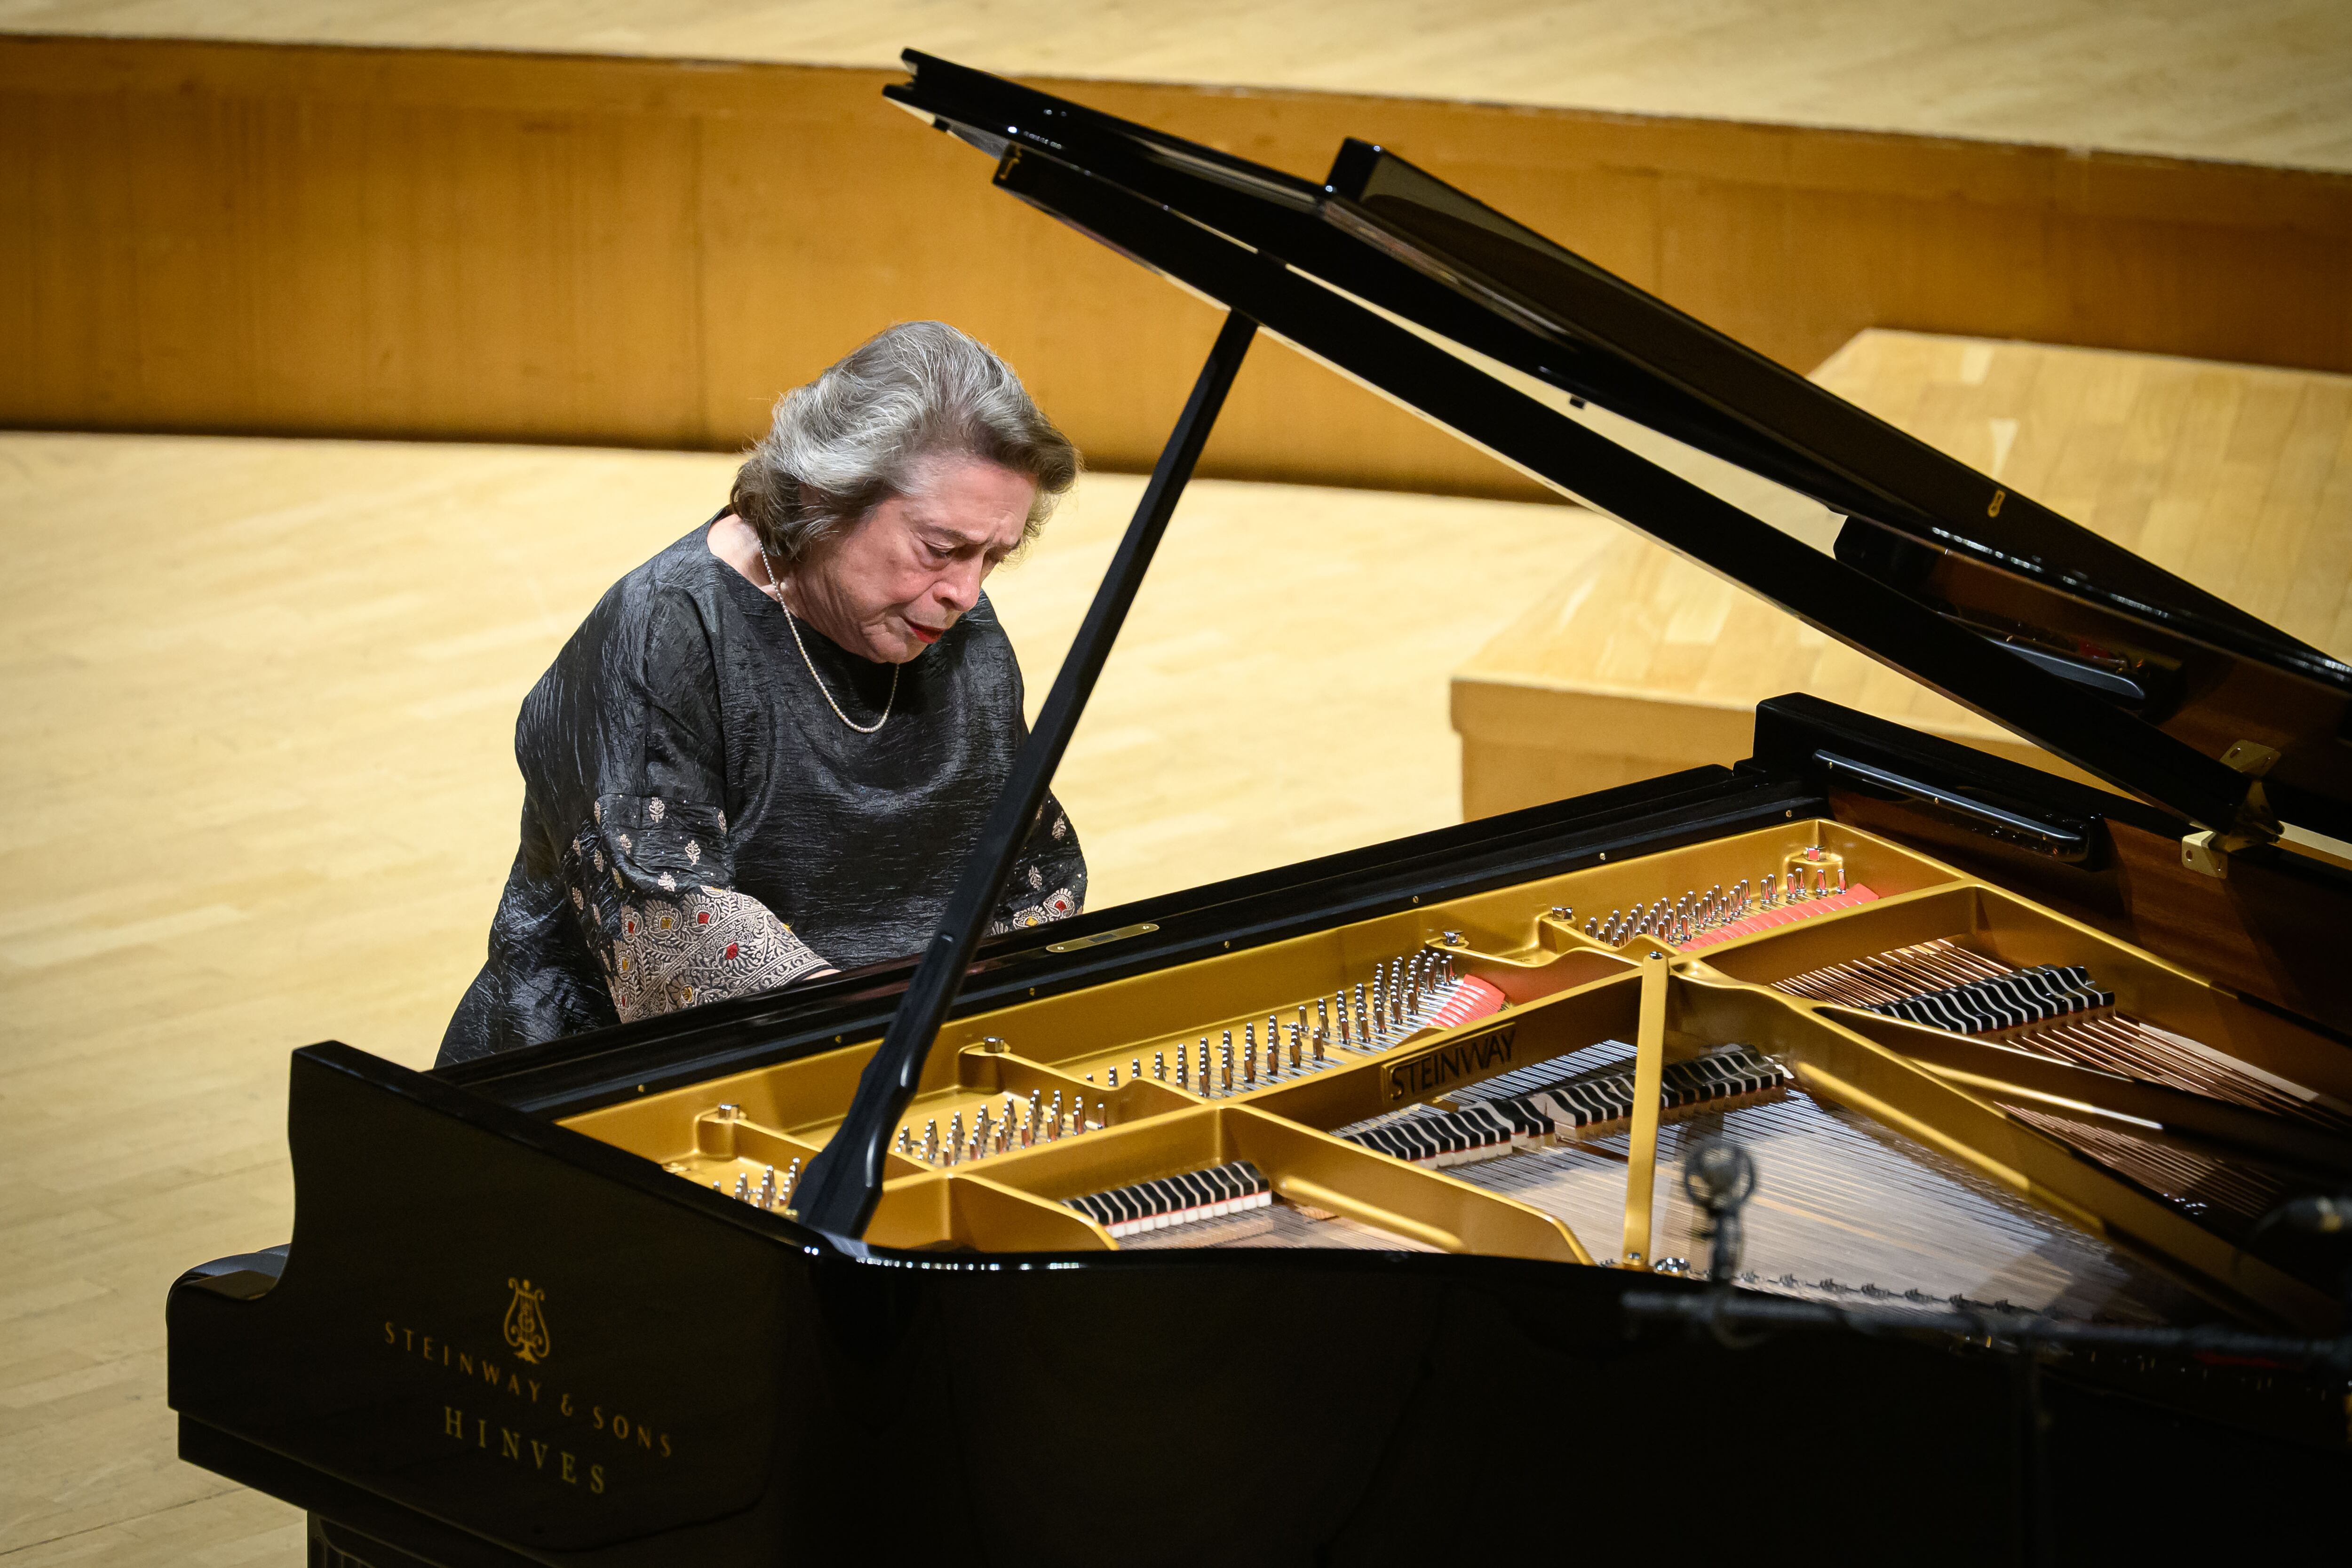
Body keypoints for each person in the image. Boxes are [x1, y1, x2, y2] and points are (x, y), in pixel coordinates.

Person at [439, 323, 1087, 1062]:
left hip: (905, 1056)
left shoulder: (960, 639)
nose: (966, 593)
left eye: (993, 557)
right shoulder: (668, 633)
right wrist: (875, 1040)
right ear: (828, 491)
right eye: (941, 549)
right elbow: (672, 930)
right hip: (626, 1084)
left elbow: (1031, 877)